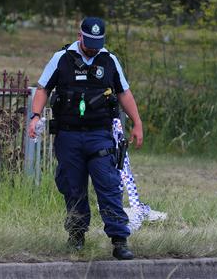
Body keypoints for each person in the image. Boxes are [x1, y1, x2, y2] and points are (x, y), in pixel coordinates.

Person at [28, 17, 143, 260]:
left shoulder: (109, 60)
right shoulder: (61, 58)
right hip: (68, 135)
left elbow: (124, 93)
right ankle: (77, 236)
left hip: (99, 135)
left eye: (97, 43)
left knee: (109, 185)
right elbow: (43, 89)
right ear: (79, 36)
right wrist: (35, 116)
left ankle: (119, 240)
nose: (93, 48)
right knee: (73, 187)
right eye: (89, 42)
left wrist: (137, 123)